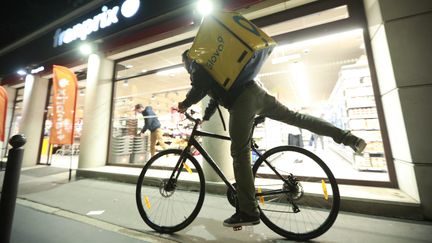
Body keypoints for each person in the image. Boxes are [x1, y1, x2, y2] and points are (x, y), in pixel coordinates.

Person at [177, 50, 367, 228]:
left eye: (184, 65)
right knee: (295, 117)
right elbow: (214, 96)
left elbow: (199, 88)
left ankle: (248, 211)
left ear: (187, 60)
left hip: (242, 101)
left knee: (239, 153)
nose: (186, 68)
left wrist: (184, 104)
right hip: (257, 92)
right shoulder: (215, 67)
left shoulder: (196, 64)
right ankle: (348, 138)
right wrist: (206, 117)